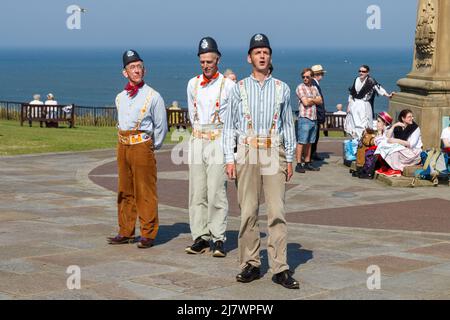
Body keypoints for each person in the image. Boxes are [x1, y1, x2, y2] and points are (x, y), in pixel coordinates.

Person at [224, 33, 299, 289]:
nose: (262, 55)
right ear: (249, 58)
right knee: (248, 211)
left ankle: (280, 268)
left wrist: (290, 158)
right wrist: (229, 158)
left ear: (270, 57)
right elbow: (229, 127)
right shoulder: (238, 88)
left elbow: (288, 124)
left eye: (266, 51)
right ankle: (251, 263)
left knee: (277, 211)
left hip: (273, 150)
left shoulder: (282, 88)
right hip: (247, 151)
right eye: (257, 52)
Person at [107, 49, 168, 249]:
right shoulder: (120, 97)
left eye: (139, 67)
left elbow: (161, 126)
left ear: (144, 70)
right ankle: (125, 231)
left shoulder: (154, 96)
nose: (136, 70)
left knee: (145, 190)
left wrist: (151, 146)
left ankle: (148, 233)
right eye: (132, 67)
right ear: (125, 72)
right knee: (124, 189)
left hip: (142, 145)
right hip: (123, 145)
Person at [185, 37, 235, 258]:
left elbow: (234, 120)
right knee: (197, 191)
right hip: (197, 137)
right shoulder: (192, 84)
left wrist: (231, 150)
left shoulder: (229, 85)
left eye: (210, 61)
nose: (206, 65)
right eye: (202, 61)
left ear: (218, 60)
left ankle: (218, 237)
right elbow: (190, 112)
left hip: (218, 138)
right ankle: (200, 236)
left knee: (216, 191)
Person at [344, 65, 394, 139]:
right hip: (354, 105)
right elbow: (352, 93)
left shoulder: (371, 81)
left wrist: (388, 95)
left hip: (364, 106)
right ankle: (356, 143)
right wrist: (349, 106)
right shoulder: (356, 79)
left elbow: (379, 89)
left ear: (367, 72)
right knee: (353, 125)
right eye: (360, 71)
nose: (361, 73)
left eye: (363, 71)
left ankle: (363, 142)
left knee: (363, 125)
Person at [375, 109, 422, 176]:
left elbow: (411, 144)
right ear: (403, 118)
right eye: (409, 117)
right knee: (384, 145)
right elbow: (387, 138)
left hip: (413, 153)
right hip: (404, 150)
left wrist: (397, 141)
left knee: (394, 150)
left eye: (412, 116)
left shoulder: (415, 128)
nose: (412, 118)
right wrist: (394, 126)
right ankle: (388, 167)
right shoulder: (399, 127)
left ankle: (397, 170)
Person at [295, 68, 322, 173]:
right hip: (305, 117)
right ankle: (298, 164)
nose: (305, 79)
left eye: (307, 77)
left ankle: (307, 162)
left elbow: (320, 101)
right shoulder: (300, 87)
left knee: (310, 142)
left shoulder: (314, 88)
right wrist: (314, 100)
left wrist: (311, 100)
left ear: (312, 77)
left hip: (313, 118)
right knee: (302, 141)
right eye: (303, 77)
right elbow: (305, 103)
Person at [310, 65, 326, 162]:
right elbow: (317, 101)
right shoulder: (314, 84)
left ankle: (313, 153)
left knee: (315, 135)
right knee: (314, 135)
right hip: (315, 114)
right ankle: (311, 154)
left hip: (316, 113)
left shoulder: (314, 83)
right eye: (322, 74)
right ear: (318, 75)